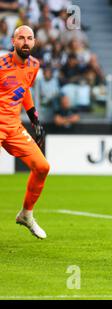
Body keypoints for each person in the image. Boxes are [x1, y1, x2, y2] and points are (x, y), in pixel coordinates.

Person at [0, 26, 50, 239]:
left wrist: (34, 119)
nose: (26, 42)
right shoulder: (1, 65)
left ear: (34, 42)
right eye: (21, 38)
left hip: (14, 126)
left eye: (29, 38)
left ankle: (26, 214)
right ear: (13, 41)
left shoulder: (34, 65)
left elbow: (24, 89)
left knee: (42, 167)